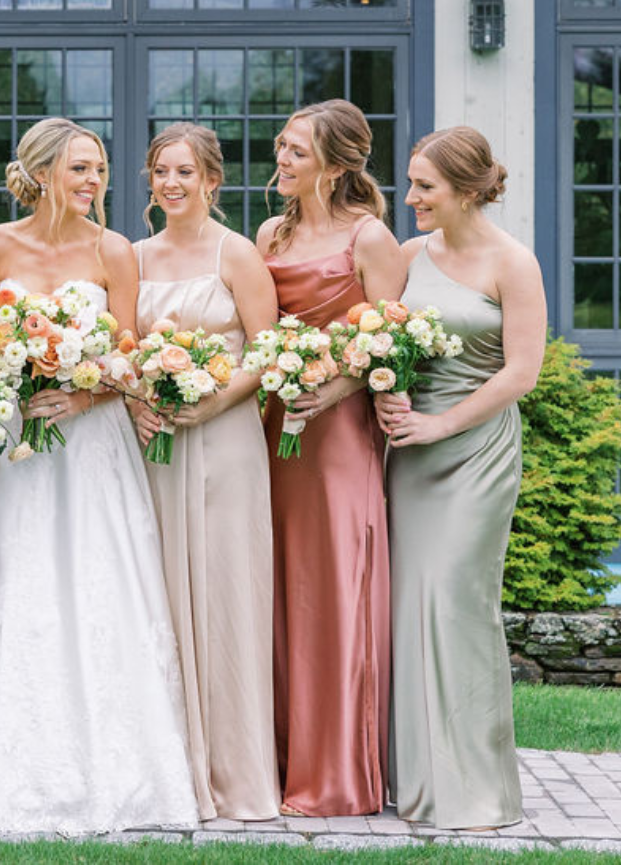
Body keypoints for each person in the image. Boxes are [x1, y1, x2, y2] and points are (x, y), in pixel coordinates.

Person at [0, 117, 197, 833]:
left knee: (101, 584)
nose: (93, 181)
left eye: (99, 168)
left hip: (95, 445)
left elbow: (128, 358)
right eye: (79, 169)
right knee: (21, 581)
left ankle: (123, 767)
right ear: (42, 173)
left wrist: (82, 392)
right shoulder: (0, 246)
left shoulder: (115, 251)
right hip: (22, 449)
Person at [376, 127, 545, 829]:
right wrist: (386, 387)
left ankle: (474, 789)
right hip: (407, 453)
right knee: (407, 604)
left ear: (469, 189)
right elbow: (377, 338)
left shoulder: (514, 262)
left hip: (474, 452)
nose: (410, 197)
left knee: (457, 604)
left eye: (425, 186)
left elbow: (521, 371)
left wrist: (443, 425)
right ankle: (412, 779)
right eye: (411, 183)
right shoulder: (412, 256)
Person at [255, 99, 405, 817]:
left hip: (340, 433)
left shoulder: (371, 238)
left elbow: (395, 344)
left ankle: (336, 772)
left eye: (297, 153)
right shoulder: (268, 235)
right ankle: (278, 760)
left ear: (339, 165)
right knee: (279, 586)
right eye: (281, 147)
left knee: (333, 587)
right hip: (276, 430)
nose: (281, 161)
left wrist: (334, 384)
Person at [131, 122, 281, 821]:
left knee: (226, 597)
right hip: (153, 448)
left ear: (212, 181)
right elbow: (117, 351)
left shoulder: (238, 254)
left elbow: (267, 353)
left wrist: (212, 400)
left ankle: (236, 775)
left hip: (225, 445)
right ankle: (165, 769)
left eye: (185, 172)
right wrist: (139, 401)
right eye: (161, 171)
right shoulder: (132, 257)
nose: (171, 183)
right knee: (153, 596)